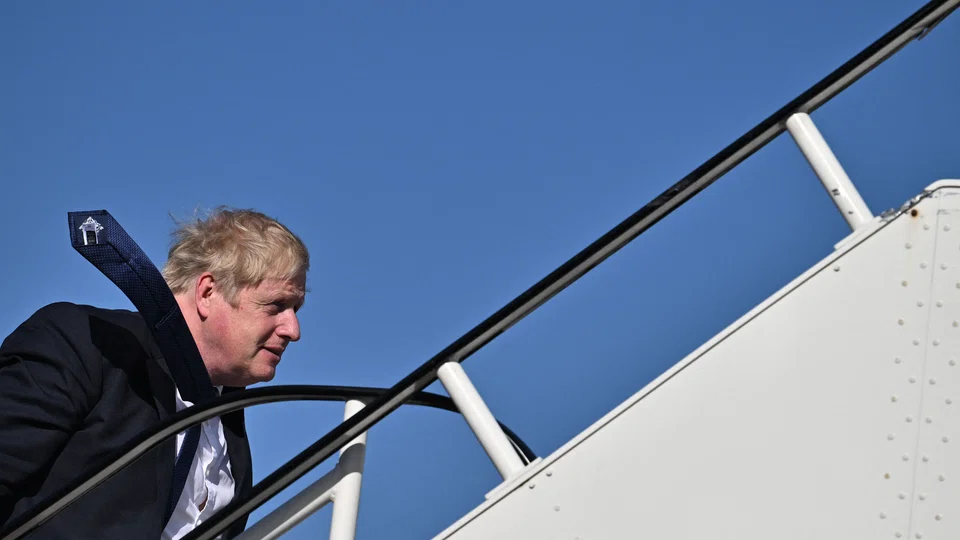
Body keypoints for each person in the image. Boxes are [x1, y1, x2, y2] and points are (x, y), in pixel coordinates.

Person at [0, 207, 309, 539]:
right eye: (276, 305)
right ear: (208, 293)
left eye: (295, 310)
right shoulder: (85, 344)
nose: (293, 330)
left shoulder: (230, 427)